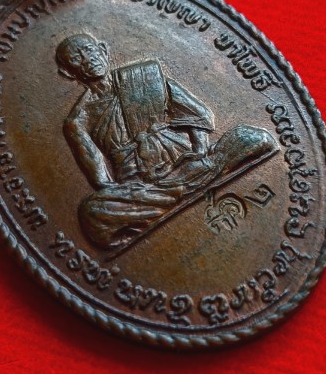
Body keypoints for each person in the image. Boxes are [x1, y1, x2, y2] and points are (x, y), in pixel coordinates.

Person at [56, 33, 277, 250]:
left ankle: (190, 181)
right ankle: (181, 189)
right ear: (68, 72)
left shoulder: (146, 76)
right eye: (76, 58)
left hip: (188, 162)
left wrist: (200, 151)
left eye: (90, 51)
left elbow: (198, 115)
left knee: (252, 137)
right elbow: (102, 181)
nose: (88, 60)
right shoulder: (78, 121)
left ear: (103, 50)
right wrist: (135, 191)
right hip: (146, 187)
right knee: (93, 212)